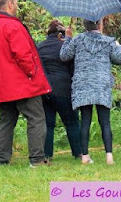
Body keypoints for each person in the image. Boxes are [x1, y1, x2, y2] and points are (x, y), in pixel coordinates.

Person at [0, 0, 51, 167]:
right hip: (21, 84)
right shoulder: (13, 27)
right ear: (10, 4)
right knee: (36, 118)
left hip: (0, 86)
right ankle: (36, 159)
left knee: (6, 120)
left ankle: (1, 160)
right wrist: (33, 74)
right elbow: (24, 55)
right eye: (16, 4)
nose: (17, 7)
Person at [59, 19, 121, 165]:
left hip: (83, 84)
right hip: (102, 84)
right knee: (105, 122)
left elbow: (64, 56)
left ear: (85, 26)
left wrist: (68, 37)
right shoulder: (108, 41)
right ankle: (109, 157)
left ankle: (85, 156)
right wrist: (118, 45)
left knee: (85, 121)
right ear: (100, 25)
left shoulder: (77, 40)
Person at [37, 20, 82, 161]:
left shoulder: (40, 47)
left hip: (45, 90)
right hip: (64, 89)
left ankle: (47, 155)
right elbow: (74, 69)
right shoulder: (66, 46)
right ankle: (78, 152)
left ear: (48, 33)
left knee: (48, 124)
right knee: (72, 121)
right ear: (61, 34)